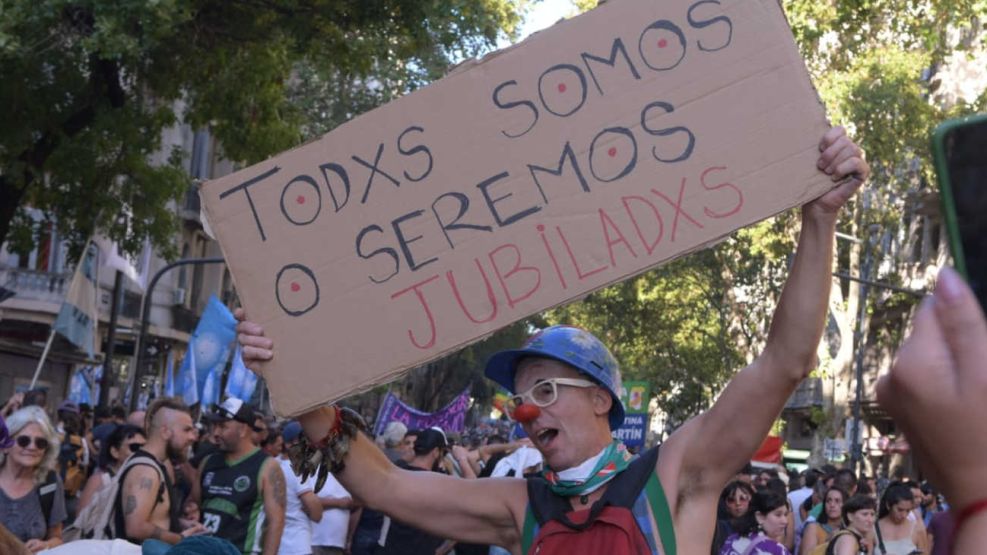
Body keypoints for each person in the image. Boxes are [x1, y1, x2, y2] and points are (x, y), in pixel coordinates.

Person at [239, 128, 867, 553]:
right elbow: (388, 487)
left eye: (544, 388)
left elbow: (785, 361)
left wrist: (820, 218)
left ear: (600, 399)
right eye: (519, 398)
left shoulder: (677, 475)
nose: (526, 409)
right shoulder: (522, 504)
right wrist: (297, 381)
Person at [193, 397, 285, 554]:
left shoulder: (267, 467)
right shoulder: (207, 462)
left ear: (243, 430)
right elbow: (194, 503)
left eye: (223, 427)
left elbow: (275, 522)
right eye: (214, 426)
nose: (215, 433)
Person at [117, 398, 207, 545]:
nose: (192, 437)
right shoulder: (146, 471)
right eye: (186, 430)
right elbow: (135, 527)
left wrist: (178, 523)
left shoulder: (155, 466)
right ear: (165, 432)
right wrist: (181, 539)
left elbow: (151, 518)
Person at [0, 407, 65, 552]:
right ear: (5, 446)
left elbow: (57, 537)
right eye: (24, 441)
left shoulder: (50, 482)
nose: (32, 447)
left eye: (40, 443)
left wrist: (46, 545)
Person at [276, 421, 323, 555]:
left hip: (276, 545)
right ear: (288, 444)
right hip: (296, 546)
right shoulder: (295, 470)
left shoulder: (273, 464)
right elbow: (316, 512)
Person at [78, 424, 146, 511]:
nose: (140, 452)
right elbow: (81, 519)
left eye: (144, 447)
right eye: (134, 447)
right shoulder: (100, 480)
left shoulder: (144, 480)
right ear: (115, 452)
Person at [718, 489, 791, 555]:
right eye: (778, 515)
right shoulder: (776, 550)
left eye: (785, 515)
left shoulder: (732, 539)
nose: (785, 521)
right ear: (760, 517)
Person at [874, 482, 926, 554]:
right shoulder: (874, 529)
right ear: (888, 505)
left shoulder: (917, 529)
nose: (904, 515)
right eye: (900, 510)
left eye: (908, 511)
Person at [799, 487, 846, 555]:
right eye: (828, 501)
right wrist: (828, 543)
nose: (832, 505)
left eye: (837, 501)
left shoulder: (848, 530)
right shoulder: (813, 528)